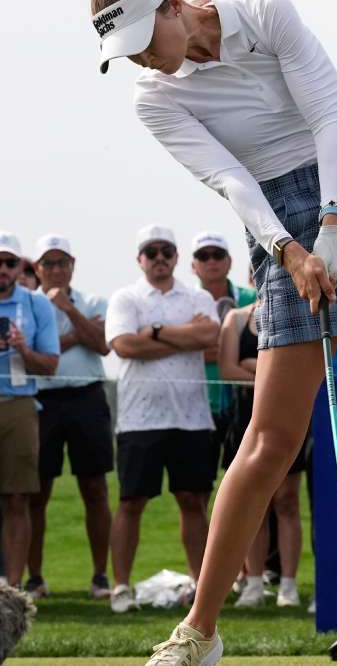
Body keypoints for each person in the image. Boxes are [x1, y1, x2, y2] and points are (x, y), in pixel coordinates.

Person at [90, 0, 337, 662]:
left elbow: (327, 116)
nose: (140, 61)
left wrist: (331, 220)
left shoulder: (267, 12)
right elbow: (232, 180)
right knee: (269, 440)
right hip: (280, 231)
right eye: (127, 54)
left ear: (171, 5)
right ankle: (199, 631)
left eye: (142, 42)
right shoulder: (156, 99)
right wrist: (291, 249)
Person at [105, 226, 219, 615]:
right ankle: (120, 586)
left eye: (166, 250)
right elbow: (124, 345)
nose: (159, 257)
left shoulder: (198, 296)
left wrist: (153, 331)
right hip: (140, 419)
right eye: (150, 251)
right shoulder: (126, 297)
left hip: (190, 417)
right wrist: (180, 336)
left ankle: (200, 588)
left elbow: (209, 335)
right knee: (131, 502)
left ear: (174, 256)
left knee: (193, 500)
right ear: (140, 258)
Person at [28, 235, 114, 601]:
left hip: (86, 396)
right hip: (43, 399)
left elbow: (103, 343)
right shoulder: (26, 306)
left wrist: (69, 311)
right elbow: (33, 354)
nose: (55, 270)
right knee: (37, 492)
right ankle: (34, 578)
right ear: (37, 268)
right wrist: (76, 335)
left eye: (61, 262)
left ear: (72, 265)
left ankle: (99, 576)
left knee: (95, 488)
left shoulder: (93, 302)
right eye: (48, 264)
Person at [217, 294, 306, 608]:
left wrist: (254, 368)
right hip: (245, 421)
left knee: (286, 501)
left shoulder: (296, 313)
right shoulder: (237, 319)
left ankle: (288, 586)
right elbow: (227, 369)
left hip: (289, 416)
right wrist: (269, 376)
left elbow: (301, 370)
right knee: (253, 501)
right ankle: (253, 582)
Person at [0, 233, 60, 590]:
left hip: (20, 403)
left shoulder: (37, 306)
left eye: (10, 263)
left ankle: (12, 589)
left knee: (19, 496)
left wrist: (23, 347)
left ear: (21, 267)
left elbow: (50, 365)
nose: (3, 270)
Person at [188, 232, 256, 468]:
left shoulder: (254, 297)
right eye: (203, 255)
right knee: (196, 489)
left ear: (229, 261)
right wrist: (237, 355)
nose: (211, 261)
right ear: (193, 265)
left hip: (249, 403)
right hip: (197, 403)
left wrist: (194, 342)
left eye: (217, 254)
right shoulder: (182, 301)